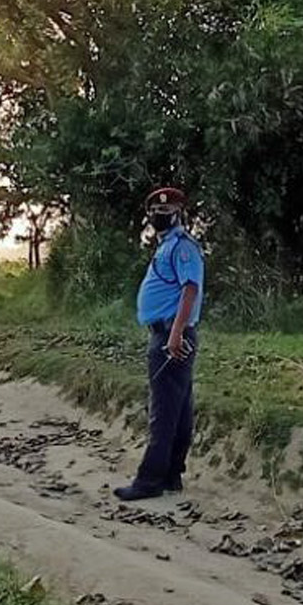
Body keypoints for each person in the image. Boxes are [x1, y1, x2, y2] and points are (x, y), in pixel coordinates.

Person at [113, 187, 203, 502]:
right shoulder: (167, 246)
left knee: (163, 410)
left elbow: (190, 289)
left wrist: (176, 332)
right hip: (167, 332)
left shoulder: (182, 248)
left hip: (170, 335)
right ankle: (171, 475)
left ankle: (149, 480)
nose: (159, 216)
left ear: (179, 213)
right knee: (177, 408)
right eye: (155, 211)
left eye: (166, 211)